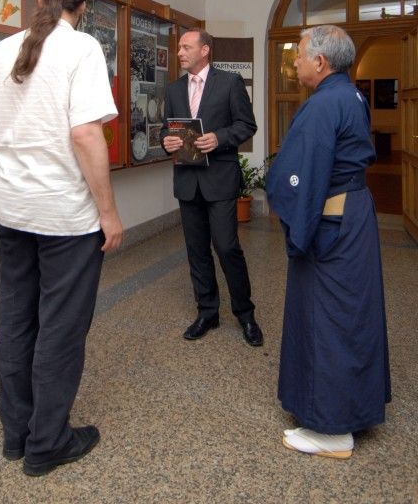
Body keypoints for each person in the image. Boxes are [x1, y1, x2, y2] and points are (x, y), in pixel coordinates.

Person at [0, 0, 123, 477]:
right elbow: (86, 136)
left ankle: (15, 435)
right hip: (64, 217)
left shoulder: (1, 50)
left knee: (16, 320)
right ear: (81, 8)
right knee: (61, 328)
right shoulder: (81, 48)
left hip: (11, 211)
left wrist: (6, 187)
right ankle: (48, 442)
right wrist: (108, 213)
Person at [266, 25, 391, 459]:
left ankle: (332, 431)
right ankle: (352, 407)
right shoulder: (351, 95)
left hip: (332, 222)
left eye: (299, 55)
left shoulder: (324, 104)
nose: (295, 62)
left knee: (328, 317)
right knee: (349, 313)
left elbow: (304, 174)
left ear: (320, 62)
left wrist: (290, 212)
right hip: (353, 212)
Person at [160, 28, 263, 346]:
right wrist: (167, 141)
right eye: (178, 47)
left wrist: (219, 138)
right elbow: (167, 129)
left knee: (227, 246)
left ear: (205, 50)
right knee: (196, 250)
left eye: (185, 47)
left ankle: (245, 315)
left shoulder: (229, 83)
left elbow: (247, 124)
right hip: (187, 181)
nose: (179, 52)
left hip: (220, 179)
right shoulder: (174, 89)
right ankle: (208, 312)